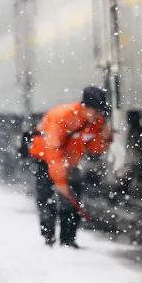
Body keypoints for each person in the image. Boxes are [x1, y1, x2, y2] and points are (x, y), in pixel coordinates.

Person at [27, 85, 112, 248]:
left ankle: (68, 240)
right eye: (95, 111)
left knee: (72, 200)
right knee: (46, 197)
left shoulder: (96, 121)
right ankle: (48, 238)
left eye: (100, 111)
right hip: (45, 158)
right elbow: (53, 151)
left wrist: (105, 138)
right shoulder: (62, 116)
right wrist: (60, 182)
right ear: (85, 107)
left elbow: (94, 148)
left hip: (69, 161)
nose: (97, 115)